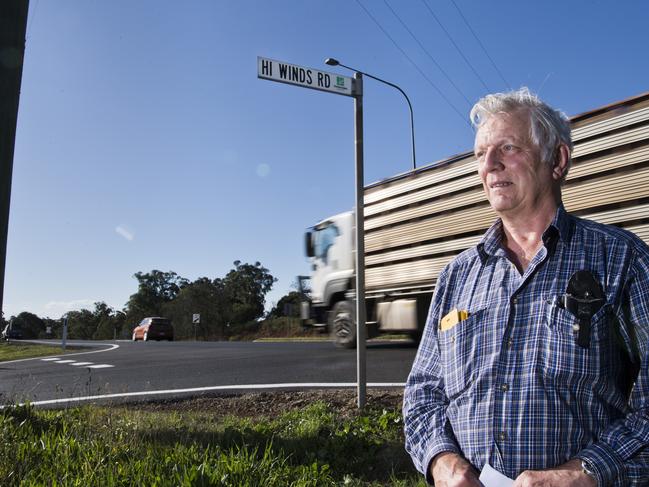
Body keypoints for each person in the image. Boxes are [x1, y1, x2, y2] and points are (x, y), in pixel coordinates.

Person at [403, 87, 649, 486]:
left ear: (557, 160)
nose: (491, 164)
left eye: (509, 147)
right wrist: (443, 462)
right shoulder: (456, 276)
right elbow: (423, 394)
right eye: (481, 154)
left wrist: (584, 472)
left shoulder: (621, 260)